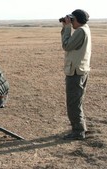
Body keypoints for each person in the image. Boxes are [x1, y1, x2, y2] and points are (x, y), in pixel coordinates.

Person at [60, 9, 91, 140]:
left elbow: (66, 45)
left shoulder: (80, 31)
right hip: (80, 70)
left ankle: (78, 132)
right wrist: (66, 27)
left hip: (76, 72)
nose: (71, 22)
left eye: (72, 19)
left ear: (77, 19)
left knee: (73, 103)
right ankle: (81, 127)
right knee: (77, 102)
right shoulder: (85, 28)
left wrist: (67, 28)